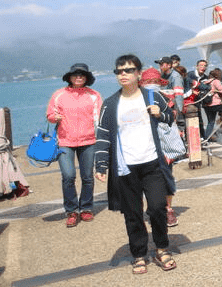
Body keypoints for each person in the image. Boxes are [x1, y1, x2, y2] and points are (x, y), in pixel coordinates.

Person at [94, 54, 177, 274]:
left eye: (128, 70)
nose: (123, 74)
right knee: (132, 213)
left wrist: (161, 114)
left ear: (138, 73)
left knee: (158, 207)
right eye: (119, 71)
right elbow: (102, 135)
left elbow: (171, 117)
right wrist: (101, 164)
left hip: (152, 163)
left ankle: (161, 247)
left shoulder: (152, 96)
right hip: (125, 167)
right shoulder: (110, 104)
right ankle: (139, 253)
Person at [46, 63, 103, 227]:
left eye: (82, 74)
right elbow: (50, 114)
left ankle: (85, 208)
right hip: (64, 141)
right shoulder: (59, 95)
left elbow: (100, 117)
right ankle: (71, 210)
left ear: (87, 78)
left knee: (87, 177)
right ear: (69, 77)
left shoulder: (94, 95)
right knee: (68, 176)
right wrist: (53, 118)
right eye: (76, 74)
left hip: (89, 141)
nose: (79, 77)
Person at [141, 67, 180, 228]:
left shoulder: (164, 97)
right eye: (149, 81)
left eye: (155, 81)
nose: (152, 84)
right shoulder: (161, 97)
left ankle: (167, 208)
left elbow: (171, 117)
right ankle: (161, 208)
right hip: (151, 145)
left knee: (163, 177)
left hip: (161, 145)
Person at [185, 59, 212, 135]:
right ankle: (189, 136)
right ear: (197, 66)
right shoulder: (190, 75)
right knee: (188, 119)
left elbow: (207, 88)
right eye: (201, 65)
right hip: (188, 100)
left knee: (199, 119)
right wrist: (192, 91)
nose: (203, 67)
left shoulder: (206, 78)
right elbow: (184, 85)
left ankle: (202, 136)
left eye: (204, 66)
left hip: (198, 101)